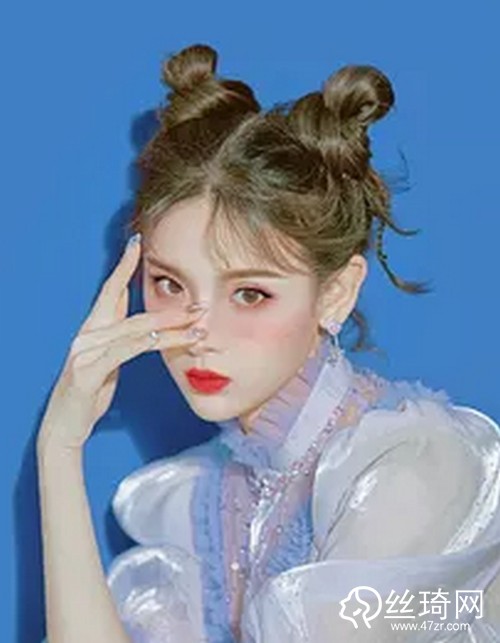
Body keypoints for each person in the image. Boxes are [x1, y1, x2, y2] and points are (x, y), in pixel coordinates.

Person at [36, 43, 500, 643]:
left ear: (335, 294)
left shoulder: (405, 469)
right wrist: (60, 446)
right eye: (169, 283)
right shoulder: (204, 497)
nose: (199, 334)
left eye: (250, 293)